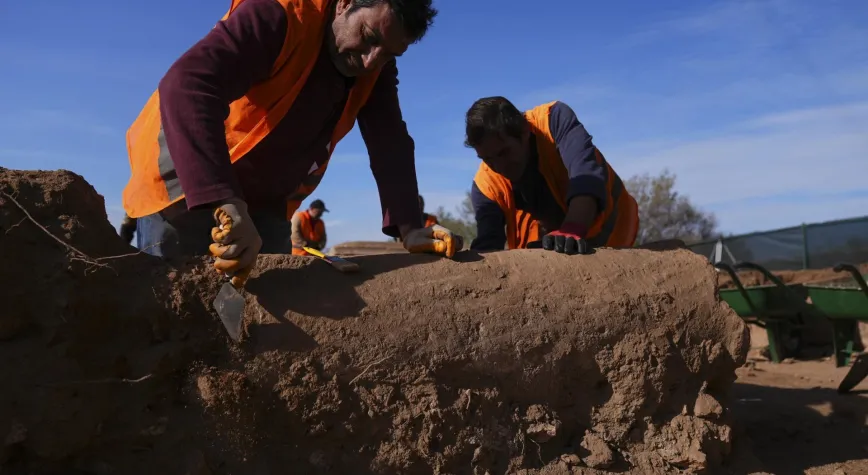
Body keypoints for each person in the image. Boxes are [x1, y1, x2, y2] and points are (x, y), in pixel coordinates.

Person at [118, 0, 461, 283]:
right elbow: (187, 86)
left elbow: (390, 140)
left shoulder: (374, 68)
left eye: (388, 54)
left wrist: (411, 227)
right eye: (368, 36)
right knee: (175, 307)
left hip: (266, 201)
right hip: (188, 181)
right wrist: (226, 202)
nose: (372, 60)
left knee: (265, 320)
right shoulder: (280, 14)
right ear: (344, 4)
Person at [465, 97, 639, 255]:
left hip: (614, 238)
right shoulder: (485, 187)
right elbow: (488, 244)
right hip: (547, 262)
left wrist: (571, 229)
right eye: (487, 159)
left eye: (504, 153)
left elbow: (586, 176)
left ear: (524, 131)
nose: (499, 166)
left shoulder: (554, 120)